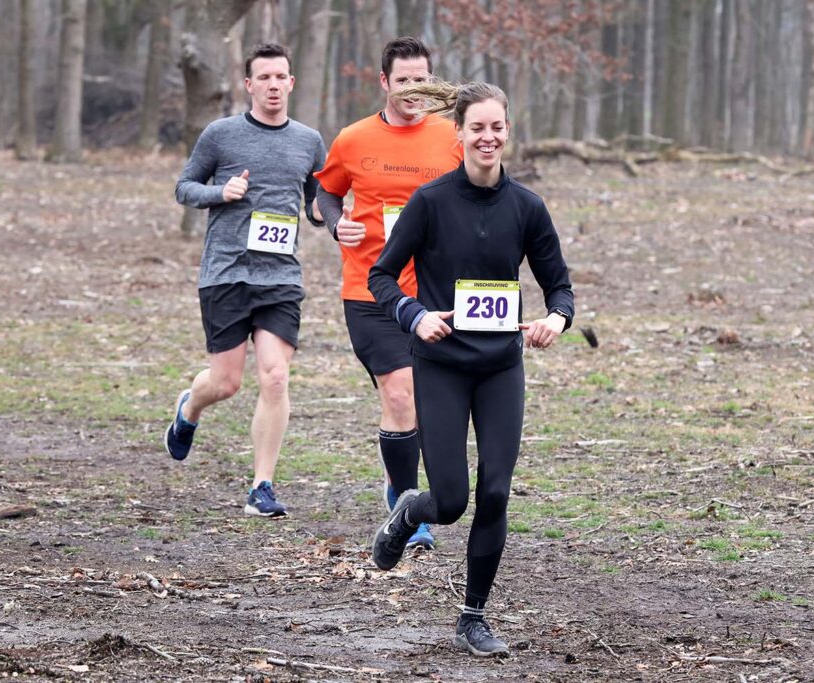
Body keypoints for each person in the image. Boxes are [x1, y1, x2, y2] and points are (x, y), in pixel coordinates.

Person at [367, 81, 574, 657]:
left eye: (497, 127)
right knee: (452, 501)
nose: (487, 137)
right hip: (442, 366)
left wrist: (555, 320)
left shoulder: (527, 207)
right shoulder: (430, 202)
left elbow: (559, 286)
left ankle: (474, 617)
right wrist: (414, 316)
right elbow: (381, 276)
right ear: (457, 133)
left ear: (509, 131)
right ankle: (411, 508)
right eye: (476, 127)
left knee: (498, 490)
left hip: (500, 368)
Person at [315, 37, 462, 550]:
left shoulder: (453, 137)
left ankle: (401, 490)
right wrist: (336, 225)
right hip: (371, 289)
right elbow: (326, 193)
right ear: (384, 82)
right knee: (399, 391)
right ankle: (407, 503)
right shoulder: (353, 139)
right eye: (403, 80)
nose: (412, 89)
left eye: (421, 79)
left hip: (438, 293)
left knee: (423, 402)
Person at [168, 43, 326, 518]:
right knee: (226, 382)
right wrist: (222, 191)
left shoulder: (309, 140)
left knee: (275, 376)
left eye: (282, 77)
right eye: (265, 77)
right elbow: (184, 187)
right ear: (249, 85)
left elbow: (318, 203)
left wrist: (328, 215)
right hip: (227, 273)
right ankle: (189, 409)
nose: (274, 85)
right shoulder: (221, 135)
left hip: (280, 276)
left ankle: (262, 487)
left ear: (291, 83)